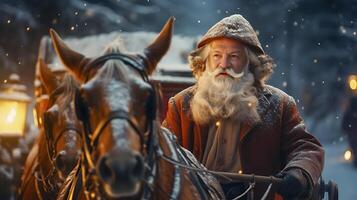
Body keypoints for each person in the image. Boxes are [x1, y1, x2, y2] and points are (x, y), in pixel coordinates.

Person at [162, 14, 324, 199]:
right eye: (216, 56)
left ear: (250, 63)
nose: (223, 64)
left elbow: (305, 147)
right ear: (205, 61)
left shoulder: (280, 104)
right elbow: (163, 150)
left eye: (234, 56)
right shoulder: (181, 104)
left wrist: (298, 172)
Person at [342, 96, 357, 168]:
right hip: (352, 134)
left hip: (352, 135)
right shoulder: (349, 113)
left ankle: (355, 161)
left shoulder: (349, 112)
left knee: (354, 148)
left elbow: (344, 124)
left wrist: (347, 131)